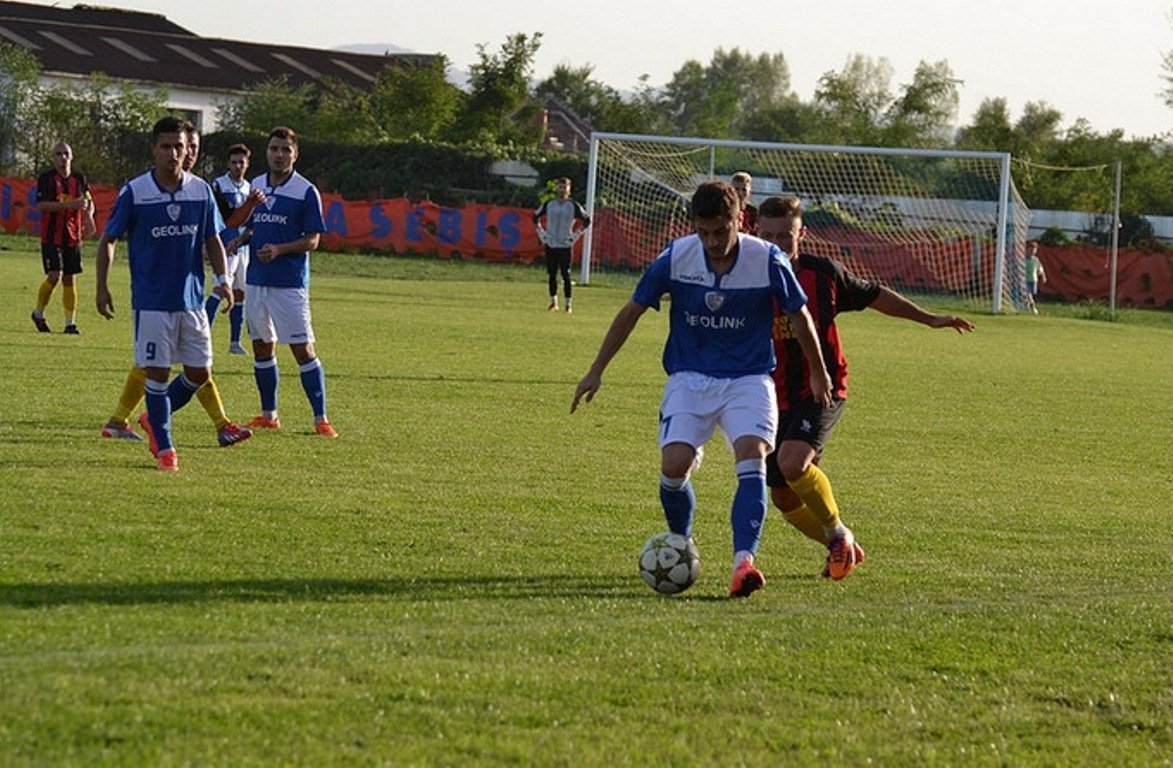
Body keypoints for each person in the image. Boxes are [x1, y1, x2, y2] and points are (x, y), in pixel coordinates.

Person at [571, 181, 832, 598]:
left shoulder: (766, 259)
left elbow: (800, 316)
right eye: (704, 232)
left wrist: (818, 372)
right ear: (695, 225)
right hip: (689, 378)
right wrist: (596, 369)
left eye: (721, 231)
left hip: (748, 378)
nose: (712, 242)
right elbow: (631, 311)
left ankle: (743, 564)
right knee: (674, 467)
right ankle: (682, 543)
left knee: (752, 455)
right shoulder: (676, 257)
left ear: (738, 220)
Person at [756, 195, 976, 579]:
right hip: (771, 395)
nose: (777, 245)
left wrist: (930, 319)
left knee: (793, 464)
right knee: (784, 496)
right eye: (768, 236)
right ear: (755, 234)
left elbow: (875, 295)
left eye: (786, 237)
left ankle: (838, 533)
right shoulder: (745, 277)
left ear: (801, 234)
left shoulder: (823, 275)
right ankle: (840, 546)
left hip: (822, 386)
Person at [98, 126, 253, 448]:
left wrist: (222, 279)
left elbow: (214, 236)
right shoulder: (139, 191)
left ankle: (122, 420)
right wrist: (102, 285)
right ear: (155, 148)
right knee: (154, 367)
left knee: (192, 367)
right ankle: (209, 425)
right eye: (172, 146)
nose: (183, 153)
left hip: (191, 299)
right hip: (153, 300)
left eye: (188, 147)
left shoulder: (200, 191)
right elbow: (109, 237)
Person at [243, 126, 336, 438]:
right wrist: (238, 240)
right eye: (274, 149)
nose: (279, 155)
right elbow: (253, 224)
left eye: (285, 150)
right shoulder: (255, 185)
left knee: (302, 349)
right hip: (256, 280)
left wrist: (280, 250)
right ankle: (269, 414)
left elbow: (313, 240)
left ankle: (321, 419)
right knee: (261, 347)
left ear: (295, 154)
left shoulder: (306, 191)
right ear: (266, 152)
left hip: (289, 284)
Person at [31, 142, 96, 334]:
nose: (62, 157)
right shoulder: (47, 178)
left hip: (73, 236)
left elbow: (88, 200)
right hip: (51, 236)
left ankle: (70, 323)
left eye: (66, 153)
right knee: (54, 275)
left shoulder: (79, 179)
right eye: (58, 154)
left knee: (70, 278)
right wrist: (70, 205)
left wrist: (89, 216)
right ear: (53, 157)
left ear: (72, 156)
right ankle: (38, 312)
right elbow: (42, 206)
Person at [206, 143, 264, 353]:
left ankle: (234, 343)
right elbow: (216, 216)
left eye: (242, 162)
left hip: (244, 249)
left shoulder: (251, 188)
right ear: (227, 164)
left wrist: (246, 239)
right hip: (225, 246)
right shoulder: (218, 185)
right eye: (234, 162)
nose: (238, 166)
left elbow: (252, 222)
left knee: (240, 294)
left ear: (247, 164)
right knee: (221, 289)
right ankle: (203, 336)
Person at [533, 177, 590, 313]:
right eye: (560, 187)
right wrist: (541, 233)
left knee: (566, 274)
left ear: (569, 189)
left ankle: (568, 304)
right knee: (552, 274)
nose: (562, 190)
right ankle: (554, 302)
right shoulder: (549, 204)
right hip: (551, 243)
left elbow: (587, 220)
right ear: (556, 188)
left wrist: (575, 235)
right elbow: (535, 217)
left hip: (565, 245)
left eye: (564, 187)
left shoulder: (573, 205)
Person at [731, 171, 757, 235]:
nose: (740, 193)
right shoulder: (726, 209)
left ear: (750, 190)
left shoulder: (754, 212)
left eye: (744, 190)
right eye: (736, 189)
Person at [1024, 240, 1046, 314]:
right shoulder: (1023, 259)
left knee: (1031, 295)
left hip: (1033, 280)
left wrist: (1043, 276)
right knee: (1028, 294)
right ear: (1027, 249)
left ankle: (1027, 305)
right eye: (1030, 250)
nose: (1032, 252)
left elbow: (1040, 269)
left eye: (1034, 250)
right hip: (1025, 280)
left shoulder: (1036, 260)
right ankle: (1033, 308)